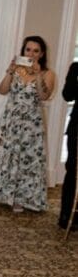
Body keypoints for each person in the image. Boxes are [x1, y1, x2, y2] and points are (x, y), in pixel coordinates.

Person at [0, 35, 56, 213]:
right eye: (28, 50)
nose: (31, 54)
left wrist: (38, 75)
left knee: (26, 158)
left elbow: (44, 95)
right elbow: (2, 90)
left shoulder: (48, 74)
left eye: (36, 51)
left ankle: (19, 198)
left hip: (31, 124)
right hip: (10, 120)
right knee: (0, 156)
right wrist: (9, 71)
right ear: (23, 51)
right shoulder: (16, 70)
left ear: (42, 53)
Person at [59, 61, 78, 230]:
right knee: (72, 170)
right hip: (76, 129)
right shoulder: (76, 68)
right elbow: (67, 95)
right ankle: (66, 215)